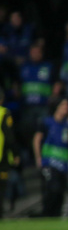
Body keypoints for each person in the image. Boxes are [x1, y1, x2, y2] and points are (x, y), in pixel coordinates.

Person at [33, 99, 68, 218]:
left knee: (60, 193)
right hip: (49, 162)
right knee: (52, 190)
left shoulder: (66, 125)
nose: (66, 107)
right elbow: (37, 139)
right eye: (63, 105)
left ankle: (56, 216)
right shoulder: (46, 122)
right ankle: (46, 215)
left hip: (63, 164)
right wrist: (38, 157)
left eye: (67, 105)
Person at [0, 88, 20, 218]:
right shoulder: (4, 113)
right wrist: (15, 154)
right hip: (1, 157)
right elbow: (9, 136)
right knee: (2, 186)